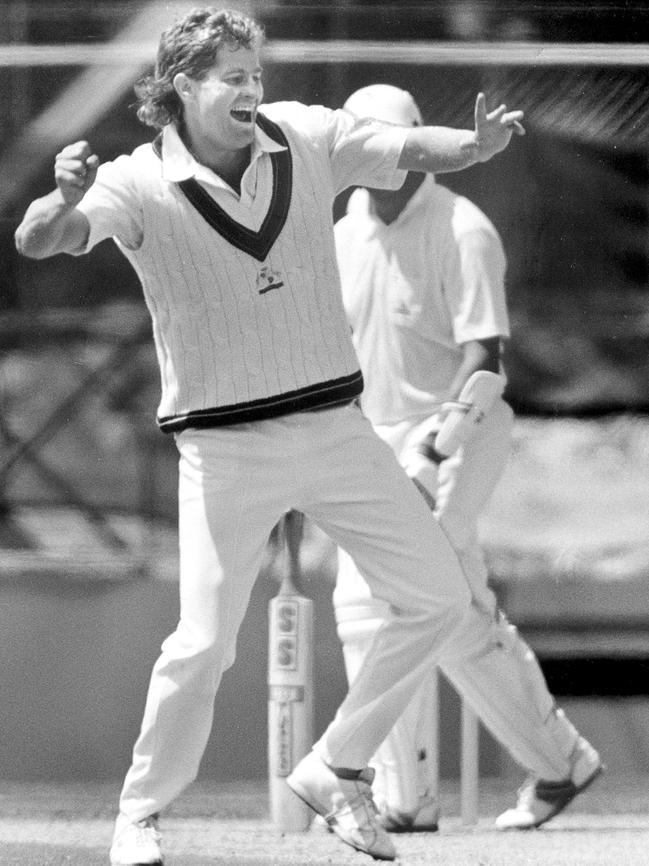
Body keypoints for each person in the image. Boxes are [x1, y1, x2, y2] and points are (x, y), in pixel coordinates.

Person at [14, 8, 527, 865]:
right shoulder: (139, 181)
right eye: (233, 77)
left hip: (335, 429)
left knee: (439, 597)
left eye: (257, 74)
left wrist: (470, 148)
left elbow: (409, 149)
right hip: (224, 450)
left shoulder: (306, 136)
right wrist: (59, 196)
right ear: (183, 86)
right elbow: (42, 241)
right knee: (205, 645)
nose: (253, 90)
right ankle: (138, 814)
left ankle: (336, 764)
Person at [331, 84, 602, 834]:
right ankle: (551, 764)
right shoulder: (341, 235)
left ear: (421, 141)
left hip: (459, 433)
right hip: (373, 444)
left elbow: (488, 357)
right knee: (422, 610)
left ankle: (406, 797)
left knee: (396, 599)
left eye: (398, 144)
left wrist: (432, 449)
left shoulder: (462, 227)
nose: (385, 162)